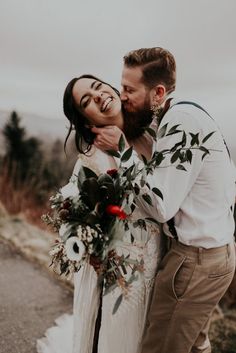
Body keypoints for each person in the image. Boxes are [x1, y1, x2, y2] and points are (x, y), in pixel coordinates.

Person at [92, 48, 236, 353]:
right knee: (195, 346)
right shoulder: (178, 115)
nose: (123, 96)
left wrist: (121, 149)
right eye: (122, 88)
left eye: (129, 90)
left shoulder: (181, 121)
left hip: (195, 262)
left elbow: (161, 205)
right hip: (210, 253)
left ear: (158, 92)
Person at [37, 74, 162, 353]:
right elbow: (68, 213)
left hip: (163, 264)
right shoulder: (92, 159)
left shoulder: (152, 134)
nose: (98, 96)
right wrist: (85, 243)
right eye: (87, 101)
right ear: (86, 121)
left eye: (97, 87)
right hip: (124, 276)